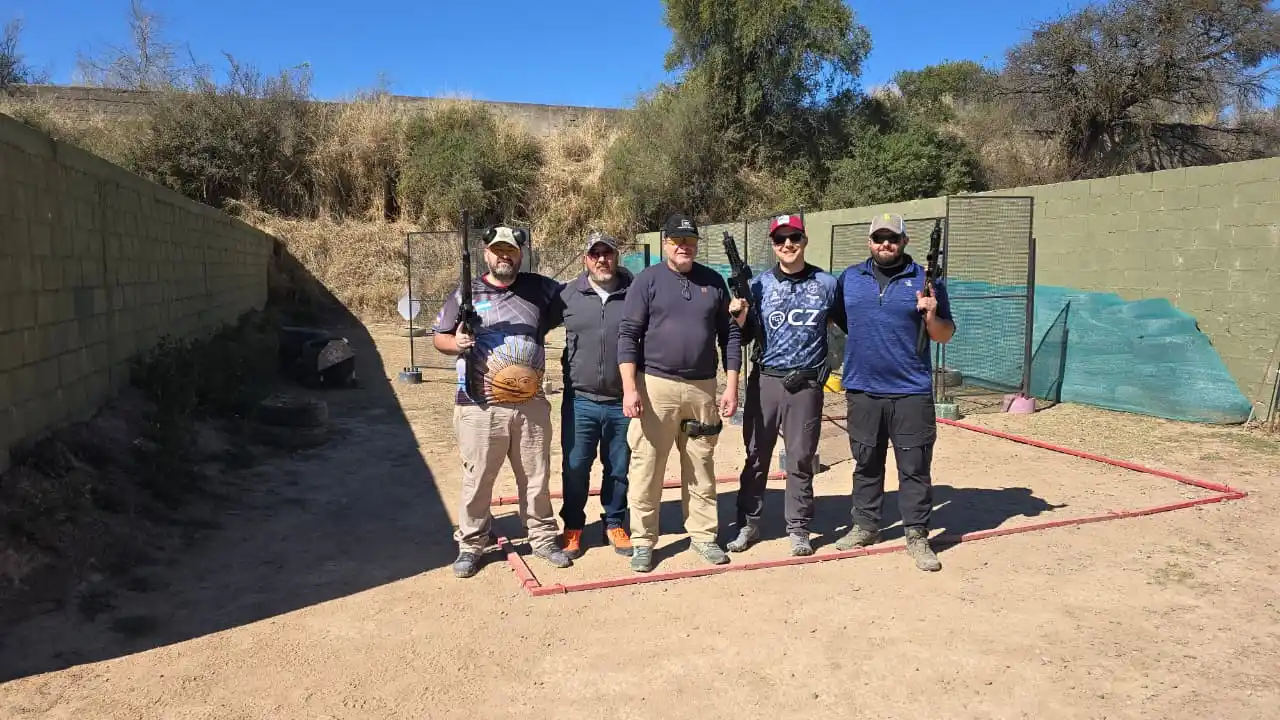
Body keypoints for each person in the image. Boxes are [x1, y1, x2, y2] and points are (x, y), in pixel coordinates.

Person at [431, 225, 574, 578]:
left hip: (531, 405)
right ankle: (471, 544)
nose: (504, 255)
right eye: (497, 249)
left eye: (510, 250)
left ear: (521, 254)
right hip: (479, 405)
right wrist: (457, 344)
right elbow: (439, 337)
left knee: (536, 477)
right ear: (486, 253)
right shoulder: (466, 291)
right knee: (477, 479)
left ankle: (542, 539)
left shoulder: (540, 289)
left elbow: (577, 303)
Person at [829, 212, 956, 572]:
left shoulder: (926, 281)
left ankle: (916, 535)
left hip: (910, 390)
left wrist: (931, 315)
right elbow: (840, 318)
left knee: (914, 466)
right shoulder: (851, 278)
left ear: (904, 241)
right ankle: (866, 526)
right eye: (879, 238)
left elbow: (944, 334)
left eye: (893, 238)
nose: (885, 244)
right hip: (863, 388)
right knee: (866, 461)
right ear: (869, 241)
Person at [617, 212, 743, 573]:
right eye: (677, 240)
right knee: (647, 467)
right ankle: (643, 541)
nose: (683, 246)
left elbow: (731, 337)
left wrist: (730, 386)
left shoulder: (714, 282)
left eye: (689, 241)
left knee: (701, 466)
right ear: (665, 244)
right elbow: (628, 335)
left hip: (703, 389)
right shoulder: (647, 281)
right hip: (656, 386)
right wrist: (630, 389)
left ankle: (703, 536)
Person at [724, 214, 838, 557]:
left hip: (805, 384)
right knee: (757, 456)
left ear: (804, 240)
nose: (787, 245)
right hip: (766, 380)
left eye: (794, 238)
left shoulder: (827, 284)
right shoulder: (758, 285)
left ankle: (799, 527)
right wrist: (740, 316)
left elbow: (846, 326)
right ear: (774, 246)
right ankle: (749, 523)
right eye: (780, 240)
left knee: (801, 459)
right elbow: (744, 337)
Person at [555, 231, 635, 559]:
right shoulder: (567, 295)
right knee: (575, 466)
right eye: (595, 254)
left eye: (608, 253)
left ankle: (614, 522)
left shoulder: (635, 293)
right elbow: (531, 323)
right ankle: (573, 526)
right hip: (580, 400)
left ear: (617, 256)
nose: (602, 259)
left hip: (622, 400)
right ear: (586, 259)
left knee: (618, 467)